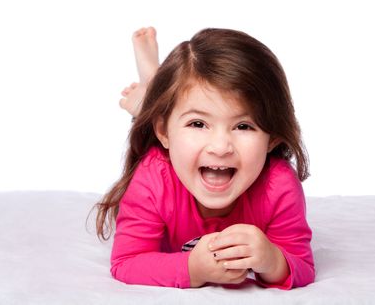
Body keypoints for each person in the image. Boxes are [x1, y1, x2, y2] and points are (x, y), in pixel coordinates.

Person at [94, 27, 315, 289]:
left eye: (243, 126)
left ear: (273, 139)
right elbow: (126, 262)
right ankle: (149, 91)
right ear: (164, 131)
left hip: (174, 127)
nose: (220, 147)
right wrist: (192, 270)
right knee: (153, 118)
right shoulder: (152, 177)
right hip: (164, 144)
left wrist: (273, 261)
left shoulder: (279, 185)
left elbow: (302, 265)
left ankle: (160, 97)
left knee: (179, 119)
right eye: (198, 123)